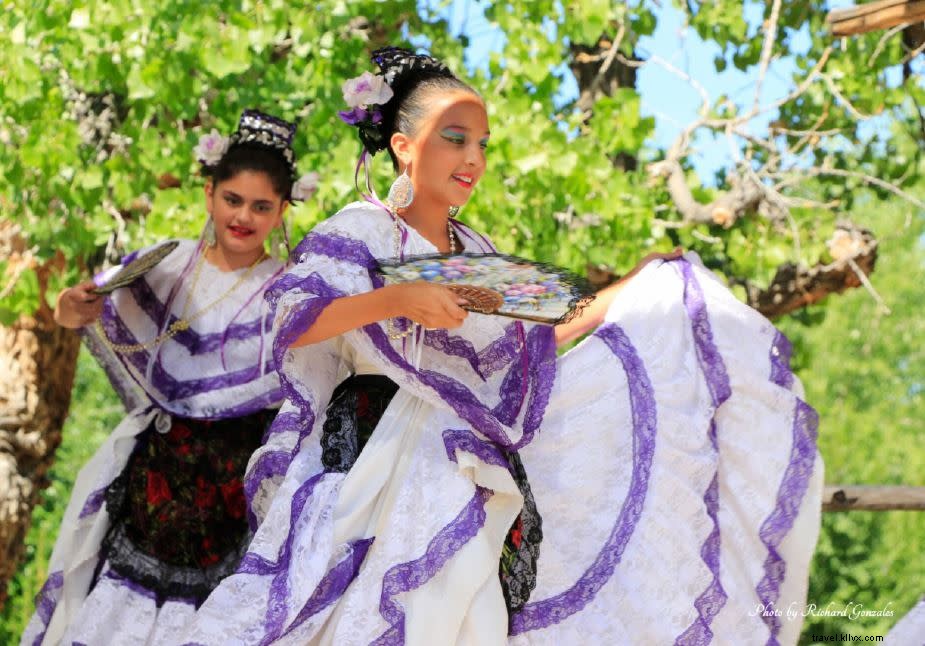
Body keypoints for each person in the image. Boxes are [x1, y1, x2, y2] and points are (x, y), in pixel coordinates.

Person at [182, 48, 824, 645]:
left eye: (482, 145)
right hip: (372, 460)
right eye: (454, 139)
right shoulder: (363, 226)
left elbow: (542, 332)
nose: (473, 160)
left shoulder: (481, 254)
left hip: (467, 462)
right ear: (404, 147)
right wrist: (396, 299)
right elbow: (294, 318)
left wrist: (639, 291)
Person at [22, 109, 318, 646]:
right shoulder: (167, 262)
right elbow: (72, 311)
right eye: (232, 199)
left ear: (281, 212)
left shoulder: (290, 288)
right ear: (209, 194)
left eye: (261, 206)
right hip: (154, 485)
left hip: (233, 495)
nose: (243, 217)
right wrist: (74, 304)